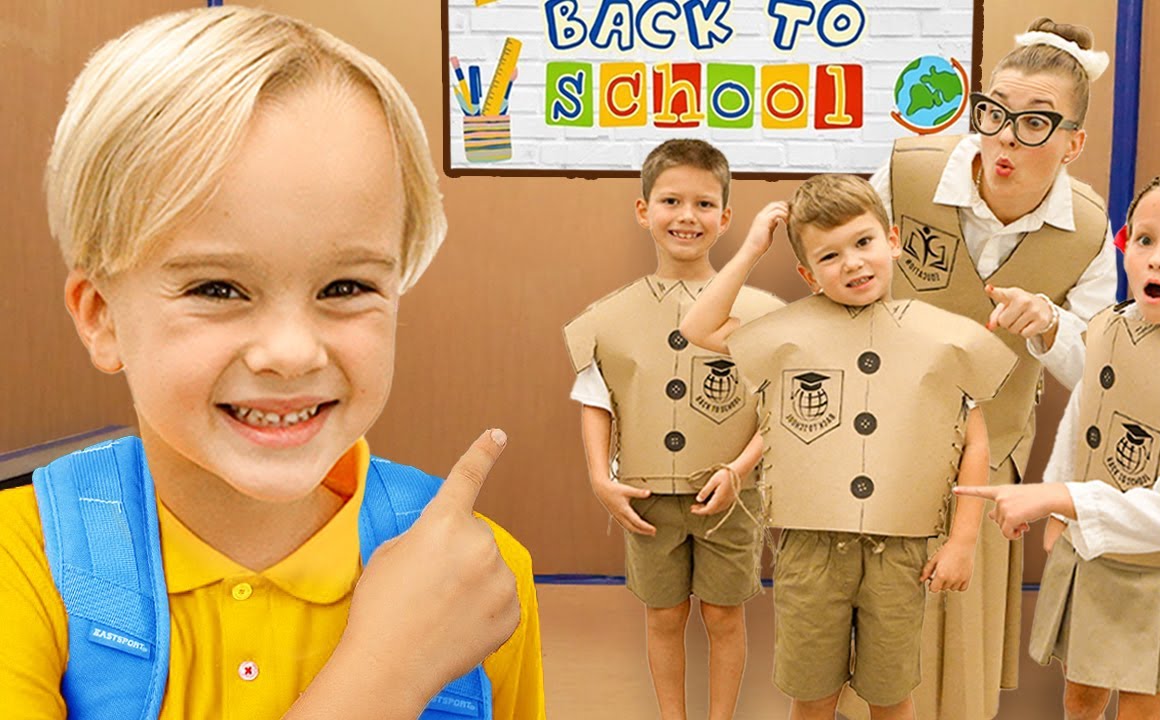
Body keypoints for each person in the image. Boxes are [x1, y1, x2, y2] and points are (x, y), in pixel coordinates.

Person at [0, 7, 543, 719]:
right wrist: (386, 673)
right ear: (101, 317)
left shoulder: (477, 575)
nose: (291, 353)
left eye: (345, 287)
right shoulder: (23, 563)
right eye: (217, 289)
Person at [853, 17, 1116, 720]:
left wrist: (1050, 324)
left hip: (991, 449)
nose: (1005, 138)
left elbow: (1097, 367)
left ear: (1073, 142)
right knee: (874, 629)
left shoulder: (1090, 231)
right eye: (994, 112)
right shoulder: (908, 175)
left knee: (956, 631)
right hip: (878, 437)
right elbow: (843, 270)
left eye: (1035, 123)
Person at [680, 174, 1017, 720]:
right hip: (811, 548)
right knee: (812, 695)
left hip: (899, 549)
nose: (853, 263)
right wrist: (751, 249)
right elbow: (698, 327)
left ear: (893, 239)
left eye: (863, 242)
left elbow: (974, 442)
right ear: (808, 275)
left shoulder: (940, 337)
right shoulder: (788, 331)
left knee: (890, 694)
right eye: (829, 256)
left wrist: (962, 541)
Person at [956, 173, 1160, 720]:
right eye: (1144, 240)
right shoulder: (1115, 326)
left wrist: (1059, 499)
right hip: (1090, 556)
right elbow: (1087, 412)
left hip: (1151, 574)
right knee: (1080, 692)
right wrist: (1046, 318)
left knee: (1140, 703)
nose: (1156, 260)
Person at [563, 139, 783, 720]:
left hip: (730, 496)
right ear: (644, 211)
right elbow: (596, 399)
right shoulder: (609, 316)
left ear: (725, 218)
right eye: (671, 201)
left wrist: (740, 471)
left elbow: (779, 410)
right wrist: (600, 479)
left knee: (724, 614)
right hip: (646, 496)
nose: (688, 216)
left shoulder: (763, 313)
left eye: (704, 204)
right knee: (663, 615)